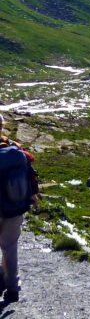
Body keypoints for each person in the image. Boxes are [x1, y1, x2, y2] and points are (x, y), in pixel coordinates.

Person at [0, 114, 39, 304]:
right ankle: (12, 289)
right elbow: (29, 171)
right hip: (15, 206)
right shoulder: (15, 148)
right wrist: (32, 195)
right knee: (10, 247)